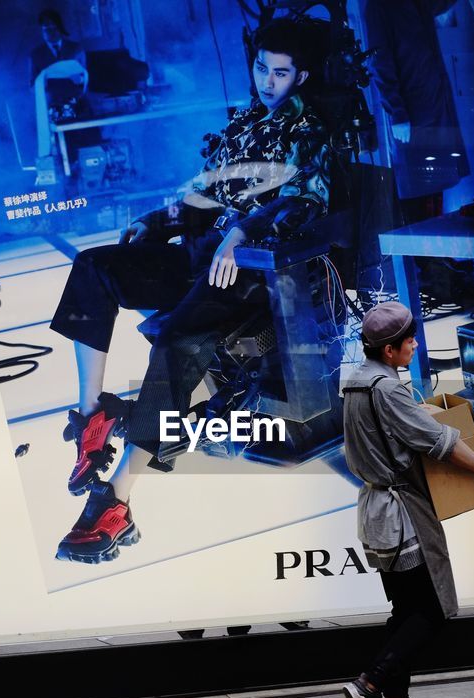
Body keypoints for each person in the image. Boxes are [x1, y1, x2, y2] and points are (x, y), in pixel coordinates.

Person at [48, 19, 331, 564]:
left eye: (281, 72)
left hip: (247, 271)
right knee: (93, 268)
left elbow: (304, 200)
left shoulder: (308, 130)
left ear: (301, 75)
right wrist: (157, 218)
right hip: (197, 256)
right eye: (261, 68)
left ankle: (118, 502)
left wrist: (242, 233)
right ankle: (92, 420)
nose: (268, 81)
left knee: (176, 342)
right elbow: (203, 192)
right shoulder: (246, 122)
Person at [338, 301, 474, 698]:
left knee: (405, 607)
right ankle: (369, 683)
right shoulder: (386, 388)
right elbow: (437, 441)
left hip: (377, 510)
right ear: (389, 351)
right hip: (403, 512)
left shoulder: (358, 383)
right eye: (408, 340)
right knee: (431, 609)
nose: (414, 344)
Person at [362, 0, 469, 223]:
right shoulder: (378, 7)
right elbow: (380, 61)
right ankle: (423, 255)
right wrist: (397, 112)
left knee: (439, 178)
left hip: (434, 101)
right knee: (416, 186)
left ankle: (437, 252)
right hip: (412, 110)